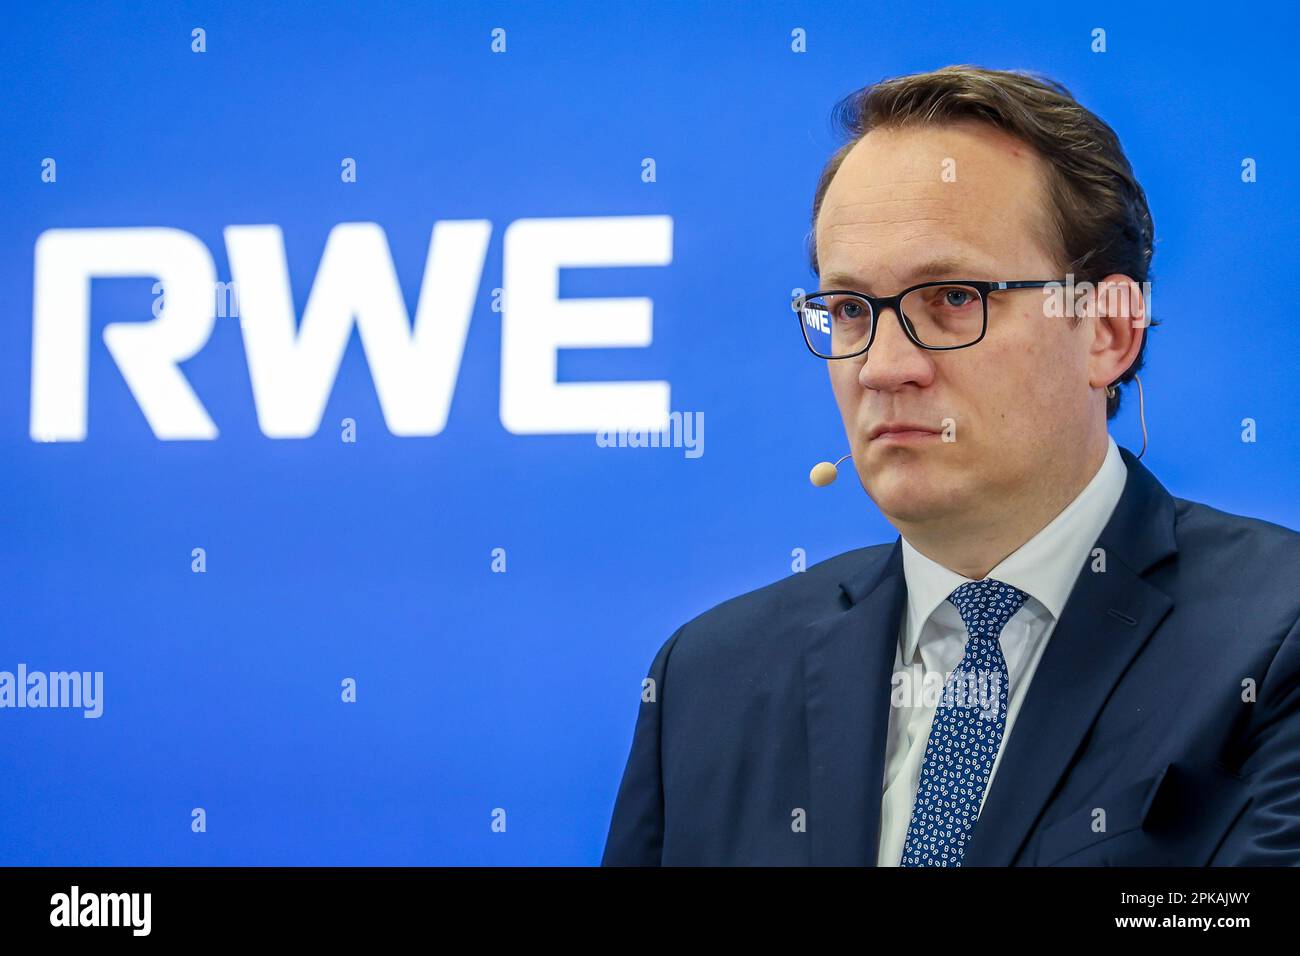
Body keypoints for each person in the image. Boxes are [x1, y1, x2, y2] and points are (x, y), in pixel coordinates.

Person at [601, 64, 1300, 866]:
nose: (882, 366)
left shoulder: (1274, 639)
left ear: (1107, 331)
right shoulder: (709, 679)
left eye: (954, 298)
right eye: (852, 310)